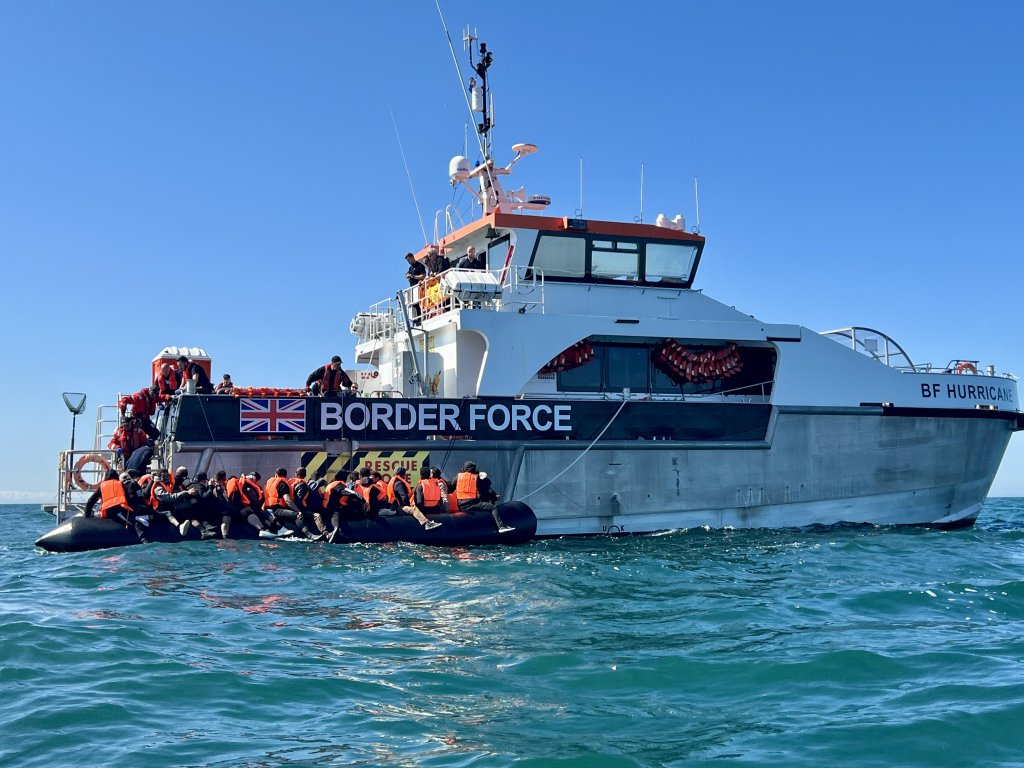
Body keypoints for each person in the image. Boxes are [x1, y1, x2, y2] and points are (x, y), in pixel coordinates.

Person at [454, 460, 514, 533]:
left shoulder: (458, 476)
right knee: (492, 507)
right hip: (472, 505)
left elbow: (451, 487)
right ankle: (501, 527)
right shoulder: (476, 478)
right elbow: (485, 491)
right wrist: (495, 498)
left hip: (460, 506)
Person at [263, 467, 322, 540]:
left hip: (266, 509)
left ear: (275, 475)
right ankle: (310, 535)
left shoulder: (268, 483)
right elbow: (288, 500)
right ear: (285, 476)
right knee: (297, 516)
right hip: (277, 509)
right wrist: (298, 511)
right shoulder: (283, 484)